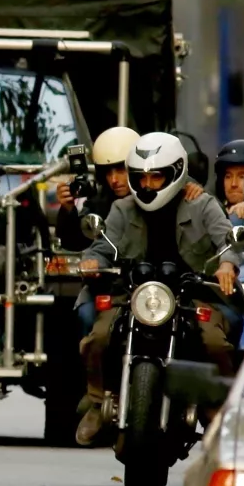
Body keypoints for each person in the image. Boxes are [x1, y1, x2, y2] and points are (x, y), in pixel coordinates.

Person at [75, 132, 242, 446]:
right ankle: (98, 402)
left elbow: (228, 240)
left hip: (190, 293)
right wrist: (92, 262)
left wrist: (226, 265)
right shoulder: (123, 209)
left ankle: (216, 406)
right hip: (134, 293)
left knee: (215, 343)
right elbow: (100, 246)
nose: (148, 184)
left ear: (176, 172)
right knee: (97, 336)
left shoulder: (202, 204)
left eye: (156, 176)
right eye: (141, 177)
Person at [56, 127, 204, 333]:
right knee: (87, 315)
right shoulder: (100, 203)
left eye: (120, 170)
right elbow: (78, 241)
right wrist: (68, 210)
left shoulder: (172, 191)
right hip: (114, 286)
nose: (114, 179)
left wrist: (193, 189)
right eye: (107, 172)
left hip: (168, 285)